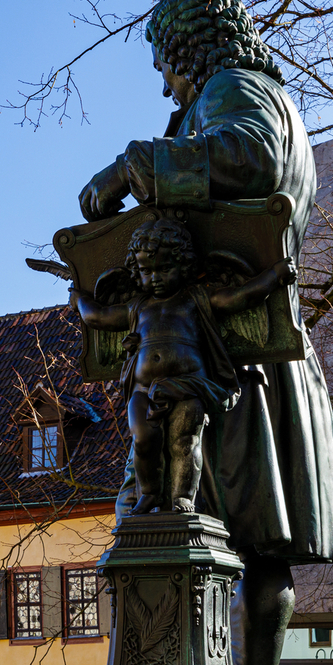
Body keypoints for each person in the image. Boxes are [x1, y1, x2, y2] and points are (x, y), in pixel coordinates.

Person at [78, 0, 333, 665]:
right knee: (264, 548)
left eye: (166, 65)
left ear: (188, 49)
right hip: (262, 355)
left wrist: (135, 167)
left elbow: (250, 158)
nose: (165, 84)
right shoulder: (268, 97)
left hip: (223, 361)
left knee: (162, 520)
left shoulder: (235, 91)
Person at [70, 217, 296, 514]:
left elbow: (240, 297)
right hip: (143, 389)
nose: (156, 278)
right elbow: (98, 317)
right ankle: (148, 494)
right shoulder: (137, 306)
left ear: (184, 265)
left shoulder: (195, 298)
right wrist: (79, 301)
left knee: (185, 443)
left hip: (189, 385)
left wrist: (275, 276)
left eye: (164, 269)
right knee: (143, 439)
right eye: (147, 271)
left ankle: (182, 496)